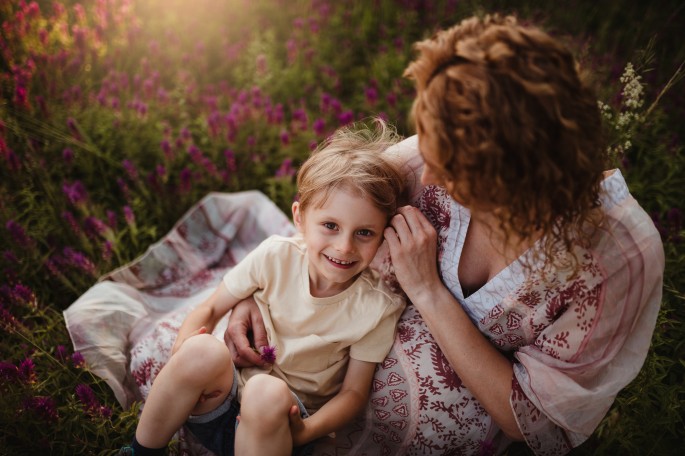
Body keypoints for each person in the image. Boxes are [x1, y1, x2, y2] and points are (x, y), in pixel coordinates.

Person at [224, 14, 665, 455]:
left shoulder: (615, 260)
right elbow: (328, 220)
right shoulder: (435, 156)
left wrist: (428, 291)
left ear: (516, 176)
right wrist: (255, 291)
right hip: (308, 379)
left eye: (448, 167)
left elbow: (527, 419)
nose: (427, 176)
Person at [120, 120, 407, 456]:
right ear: (299, 218)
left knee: (265, 392)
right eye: (330, 225)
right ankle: (142, 451)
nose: (344, 247)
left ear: (383, 234)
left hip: (285, 428)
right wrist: (183, 356)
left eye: (364, 233)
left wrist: (305, 432)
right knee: (200, 349)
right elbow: (210, 310)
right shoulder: (276, 254)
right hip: (222, 403)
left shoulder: (377, 306)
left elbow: (354, 395)